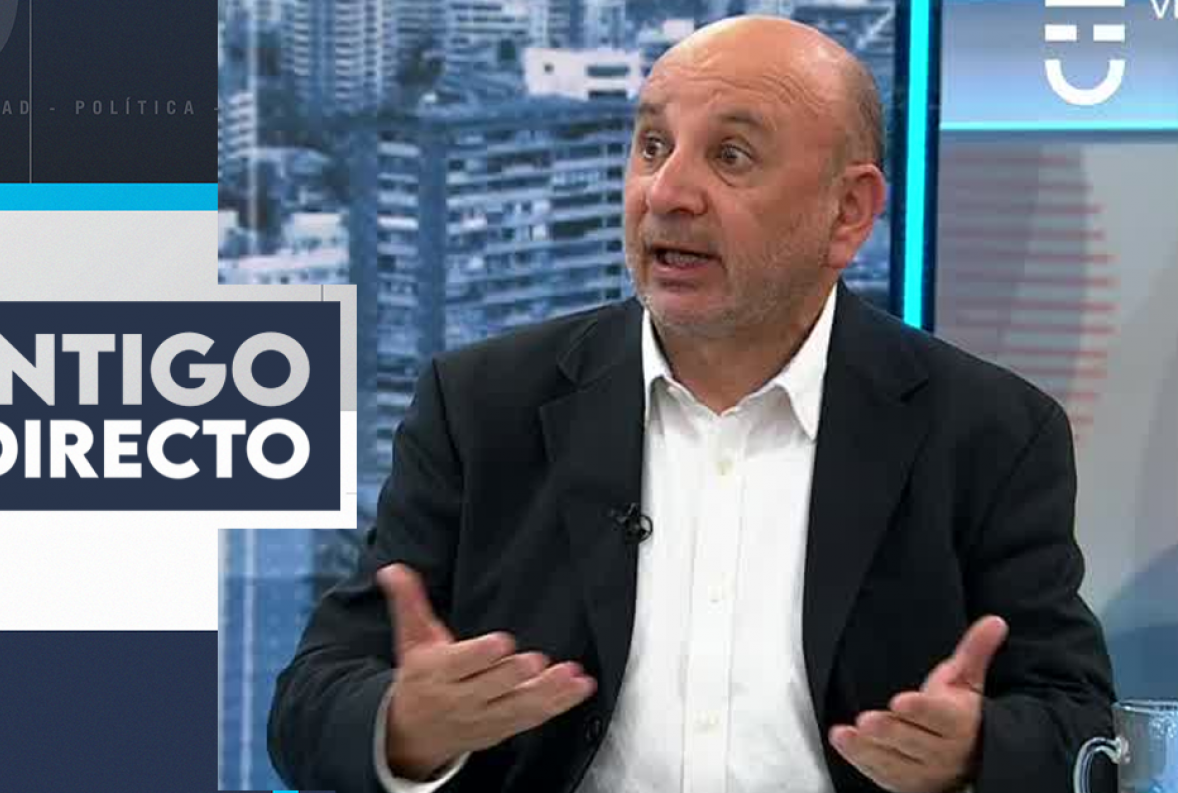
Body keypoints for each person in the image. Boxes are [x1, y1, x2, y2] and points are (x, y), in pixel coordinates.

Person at [268, 16, 1115, 793]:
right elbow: (311, 704)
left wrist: (977, 751)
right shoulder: (484, 405)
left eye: (731, 156)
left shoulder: (988, 432)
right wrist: (407, 726)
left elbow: (1081, 727)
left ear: (848, 212)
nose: (666, 192)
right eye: (651, 147)